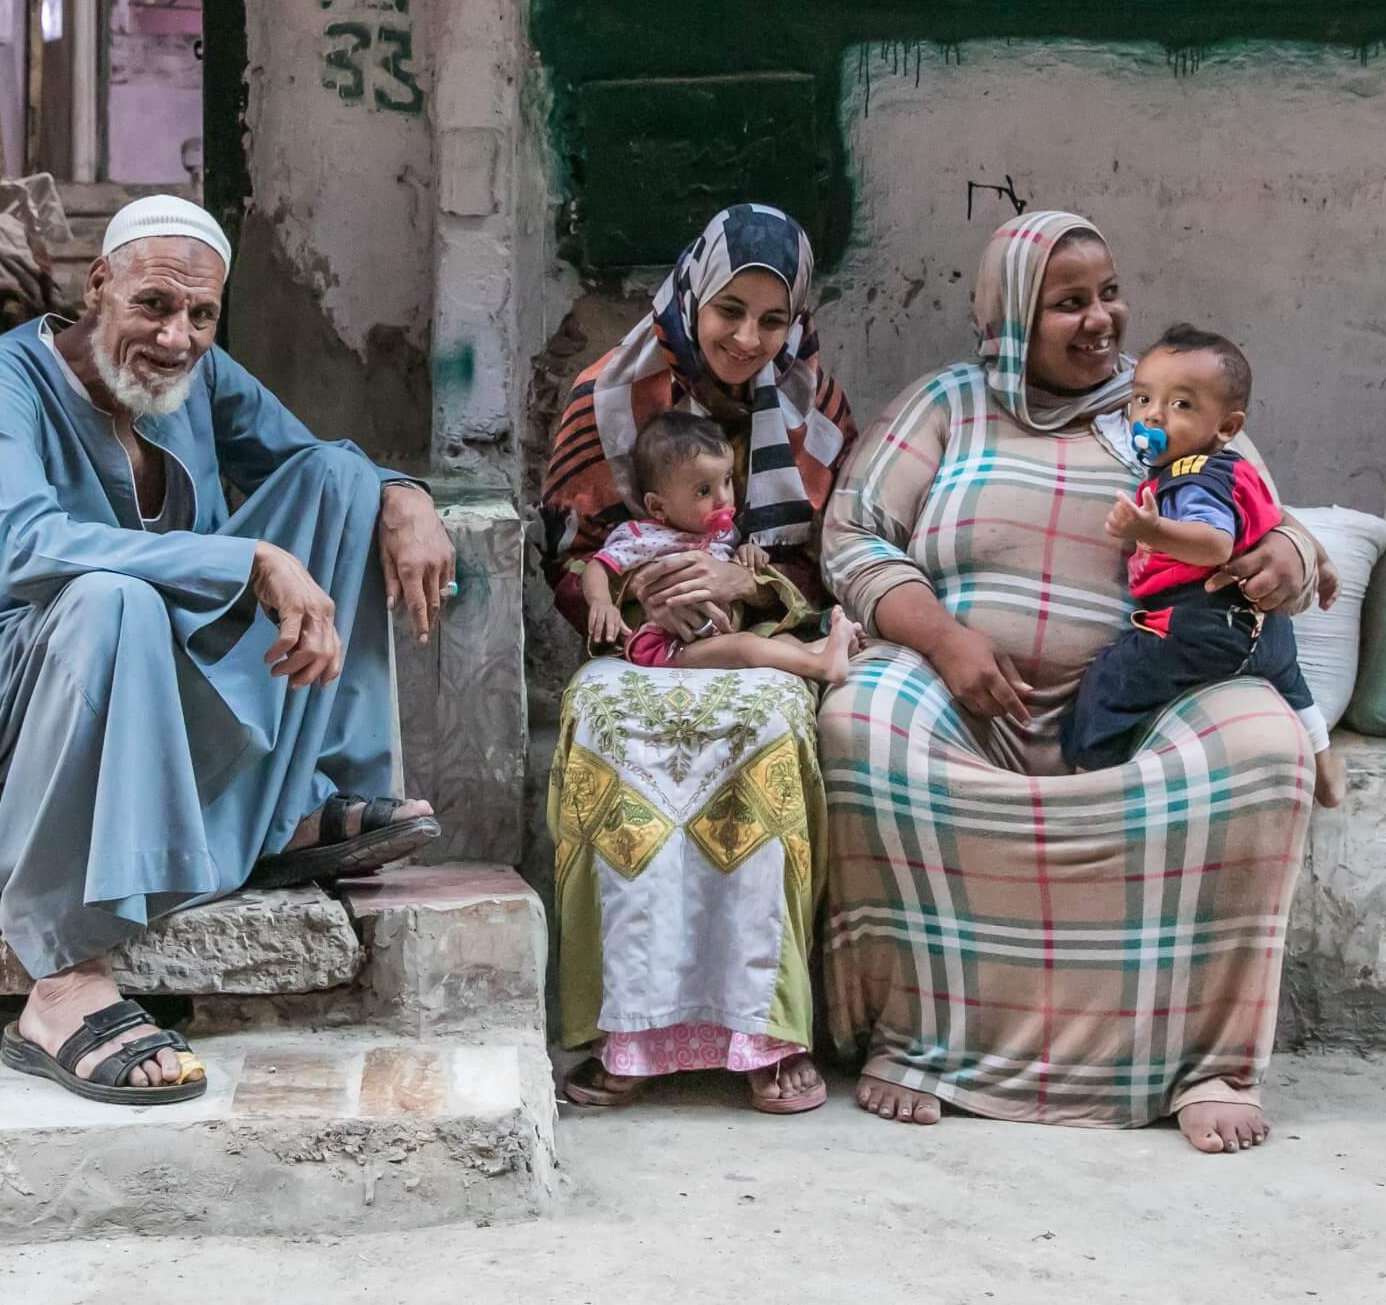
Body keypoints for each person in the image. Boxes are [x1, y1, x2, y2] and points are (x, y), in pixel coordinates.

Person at [0, 194, 457, 1105]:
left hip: (145, 666)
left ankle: (296, 802)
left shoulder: (199, 371)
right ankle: (64, 976)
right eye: (155, 304)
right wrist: (245, 558)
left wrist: (402, 494)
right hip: (0, 686)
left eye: (202, 314)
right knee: (113, 597)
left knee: (337, 481)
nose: (178, 336)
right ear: (98, 286)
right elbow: (29, 547)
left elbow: (312, 459)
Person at [818, 212, 1335, 1151]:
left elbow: (1274, 520)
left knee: (1265, 748)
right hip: (974, 709)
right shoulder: (947, 406)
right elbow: (852, 534)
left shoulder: (1168, 401)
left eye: (1107, 294)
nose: (1101, 319)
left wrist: (1290, 558)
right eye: (1068, 303)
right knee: (862, 722)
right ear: (1012, 315)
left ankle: (1206, 1064)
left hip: (1146, 708)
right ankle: (925, 1041)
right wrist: (941, 638)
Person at [540, 205, 856, 1116]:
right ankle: (626, 1028)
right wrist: (645, 596)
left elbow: (835, 558)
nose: (749, 337)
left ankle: (765, 1028)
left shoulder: (815, 411)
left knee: (763, 722)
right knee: (605, 724)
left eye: (771, 318)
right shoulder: (608, 395)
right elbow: (568, 549)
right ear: (691, 296)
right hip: (637, 648)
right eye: (730, 311)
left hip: (768, 641)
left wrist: (745, 583)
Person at [1069, 325, 1343, 806]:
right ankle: (1325, 771)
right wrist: (1320, 562)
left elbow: (1213, 545)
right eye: (1142, 399)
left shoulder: (1191, 479)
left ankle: (1088, 786)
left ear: (1228, 426)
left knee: (1113, 680)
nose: (1153, 415)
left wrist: (1150, 532)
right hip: (1269, 631)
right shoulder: (1239, 470)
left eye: (1180, 405)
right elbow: (1280, 518)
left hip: (1200, 625)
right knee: (1298, 695)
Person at [581, 411, 860, 681]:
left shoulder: (724, 534)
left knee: (778, 637)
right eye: (703, 491)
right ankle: (823, 666)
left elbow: (731, 562)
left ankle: (827, 648)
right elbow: (598, 565)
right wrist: (601, 603)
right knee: (745, 647)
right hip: (668, 644)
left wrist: (746, 554)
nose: (723, 499)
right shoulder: (644, 537)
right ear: (657, 506)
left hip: (719, 633)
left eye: (726, 480)